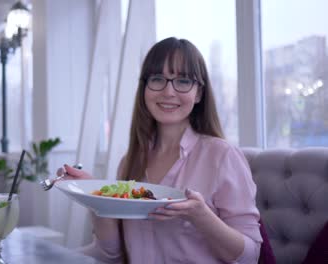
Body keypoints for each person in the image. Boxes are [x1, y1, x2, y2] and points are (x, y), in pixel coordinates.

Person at [60, 37, 262, 263]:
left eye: (183, 81)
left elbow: (250, 257)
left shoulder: (223, 156)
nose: (168, 92)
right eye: (158, 79)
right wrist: (94, 196)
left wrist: (200, 215)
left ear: (199, 93)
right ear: (144, 88)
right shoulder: (130, 161)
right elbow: (112, 254)